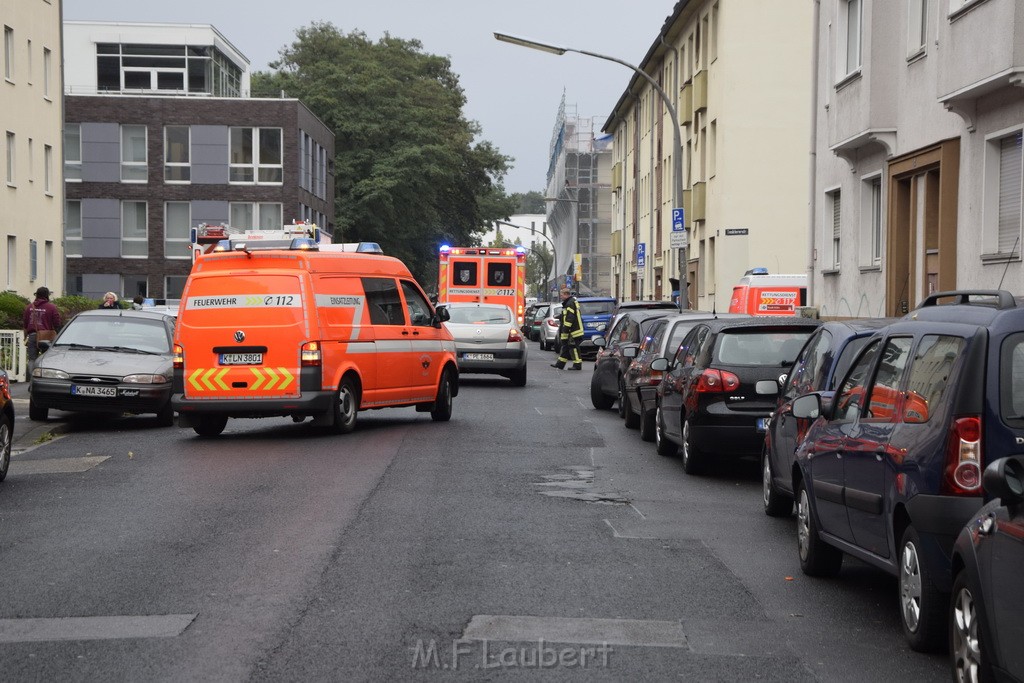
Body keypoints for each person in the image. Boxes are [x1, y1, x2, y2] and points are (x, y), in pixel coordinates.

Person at [23, 286, 61, 362]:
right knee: (46, 360)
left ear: (36, 295)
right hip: (47, 337)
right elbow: (57, 323)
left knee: (32, 360)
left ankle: (31, 373)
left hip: (32, 336)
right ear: (47, 295)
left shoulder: (29, 307)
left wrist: (25, 337)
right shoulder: (51, 307)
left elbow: (25, 325)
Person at [551, 287, 584, 371]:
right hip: (571, 330)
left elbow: (570, 318)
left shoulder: (570, 303)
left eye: (561, 295)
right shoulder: (569, 303)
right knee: (565, 347)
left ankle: (577, 365)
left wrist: (565, 329)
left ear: (566, 295)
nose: (560, 297)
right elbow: (567, 316)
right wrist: (560, 317)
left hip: (572, 331)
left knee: (573, 347)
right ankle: (560, 364)